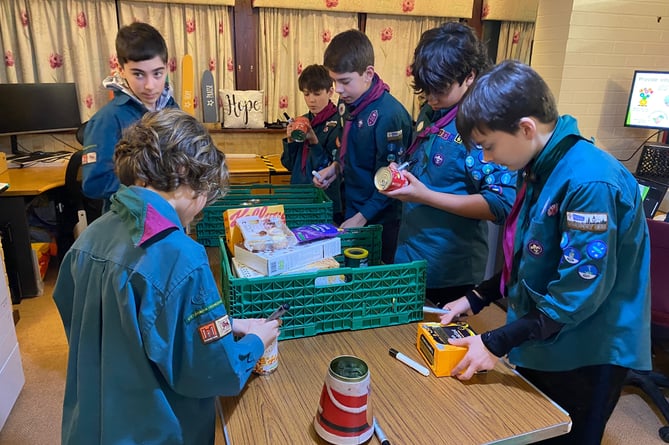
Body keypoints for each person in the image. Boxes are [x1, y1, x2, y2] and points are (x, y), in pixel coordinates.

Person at [440, 60, 651, 445]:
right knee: (529, 427)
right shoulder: (538, 166)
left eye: (489, 146)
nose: (486, 159)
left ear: (525, 128)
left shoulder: (589, 182)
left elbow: (577, 292)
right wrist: (479, 296)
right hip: (543, 331)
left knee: (565, 433)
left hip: (588, 346)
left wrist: (496, 341)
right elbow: (529, 255)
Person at [53, 108, 281, 444]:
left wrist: (227, 323)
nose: (202, 207)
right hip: (154, 432)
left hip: (90, 425)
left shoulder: (89, 237)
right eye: (205, 193)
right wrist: (255, 340)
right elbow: (215, 371)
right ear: (185, 173)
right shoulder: (181, 256)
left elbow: (117, 322)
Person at [380, 22, 516, 307]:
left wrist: (425, 196)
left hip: (449, 274)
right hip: (410, 256)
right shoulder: (433, 110)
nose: (430, 97)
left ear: (469, 77)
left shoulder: (483, 124)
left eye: (439, 89)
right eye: (426, 89)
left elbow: (501, 204)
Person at [317, 29, 413, 264]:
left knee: (375, 287)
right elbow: (351, 150)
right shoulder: (348, 102)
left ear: (368, 73)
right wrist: (335, 168)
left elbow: (394, 181)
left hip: (379, 220)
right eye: (334, 81)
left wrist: (362, 217)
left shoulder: (389, 115)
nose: (337, 90)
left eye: (344, 81)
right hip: (352, 207)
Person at [82, 22, 179, 207]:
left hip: (170, 216)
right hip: (129, 223)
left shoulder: (173, 110)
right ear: (121, 70)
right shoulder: (107, 119)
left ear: (167, 68)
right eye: (139, 75)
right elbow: (95, 184)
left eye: (157, 73)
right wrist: (152, 188)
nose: (150, 85)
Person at [281, 64, 343, 224]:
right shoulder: (302, 120)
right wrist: (290, 140)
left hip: (324, 199)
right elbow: (288, 164)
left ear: (330, 91)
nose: (311, 100)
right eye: (306, 94)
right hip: (299, 196)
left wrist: (314, 142)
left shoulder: (339, 123)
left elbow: (333, 169)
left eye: (317, 93)